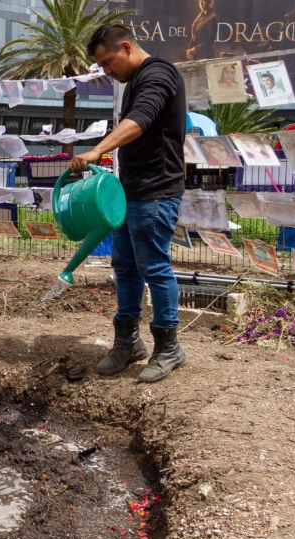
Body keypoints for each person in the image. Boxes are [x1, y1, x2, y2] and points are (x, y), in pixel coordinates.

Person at [69, 24, 187, 383]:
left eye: (108, 62)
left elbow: (140, 120)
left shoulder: (158, 74)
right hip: (129, 191)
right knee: (125, 267)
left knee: (154, 267)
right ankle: (128, 342)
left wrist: (98, 149)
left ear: (125, 47)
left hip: (157, 190)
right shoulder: (133, 82)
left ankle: (169, 347)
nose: (107, 71)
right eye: (102, 66)